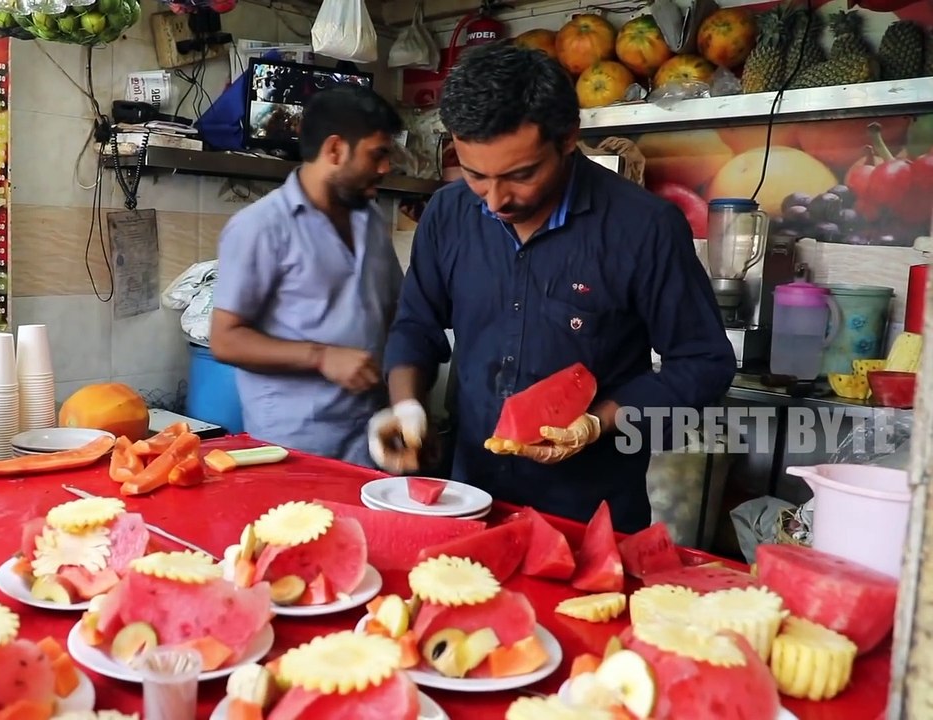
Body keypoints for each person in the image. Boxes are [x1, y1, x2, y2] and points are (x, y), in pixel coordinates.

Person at [368, 44, 736, 532]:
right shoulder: (448, 214)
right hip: (469, 500)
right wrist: (407, 405)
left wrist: (599, 420)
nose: (496, 200)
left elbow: (704, 363)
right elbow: (416, 323)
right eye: (477, 174)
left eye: (520, 175)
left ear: (568, 139)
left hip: (591, 515)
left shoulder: (644, 227)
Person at [210, 84, 405, 467]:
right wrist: (321, 357)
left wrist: (405, 405)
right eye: (377, 154)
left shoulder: (371, 220)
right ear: (335, 150)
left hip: (371, 437)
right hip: (295, 447)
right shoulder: (260, 226)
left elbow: (395, 313)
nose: (385, 168)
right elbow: (225, 341)